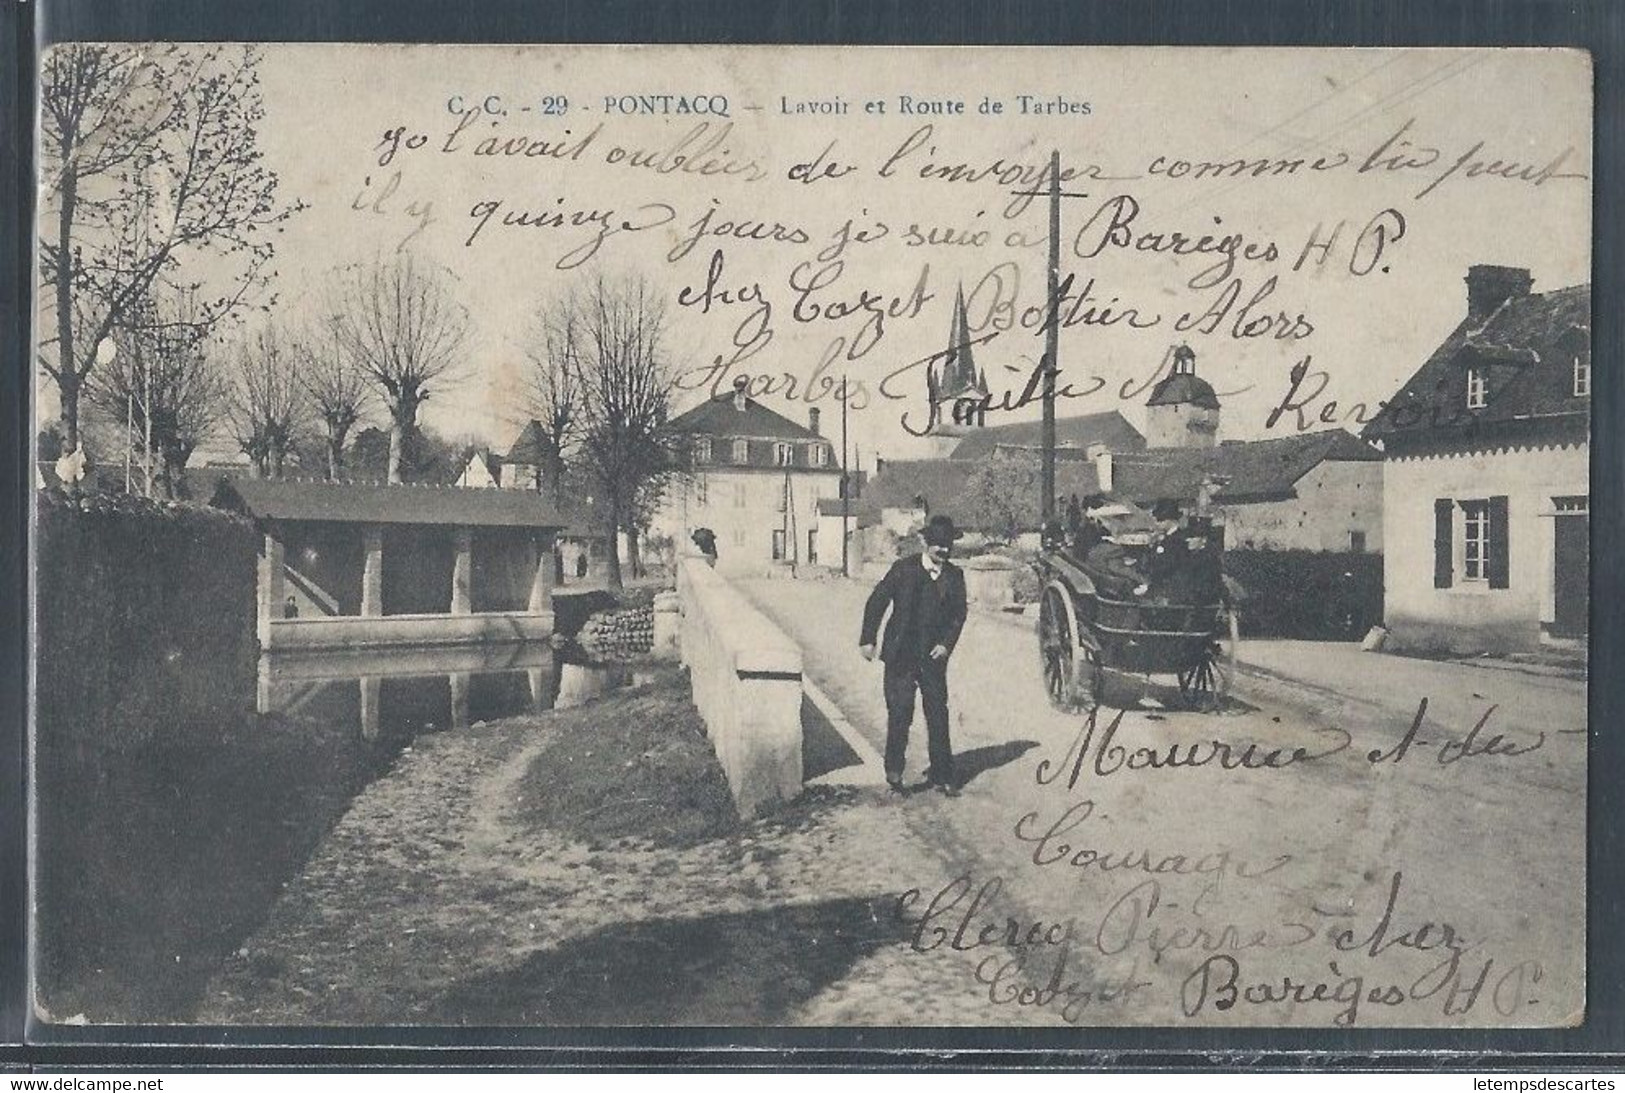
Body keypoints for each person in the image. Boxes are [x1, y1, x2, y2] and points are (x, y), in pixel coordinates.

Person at [859, 515, 968, 797]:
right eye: (938, 546)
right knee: (900, 712)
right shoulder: (903, 570)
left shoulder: (955, 576)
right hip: (901, 654)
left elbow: (958, 615)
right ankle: (894, 772)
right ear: (925, 544)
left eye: (947, 546)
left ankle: (943, 774)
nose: (943, 551)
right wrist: (868, 639)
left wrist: (946, 644)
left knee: (937, 714)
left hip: (933, 656)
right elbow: (877, 601)